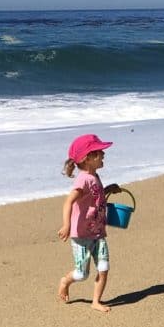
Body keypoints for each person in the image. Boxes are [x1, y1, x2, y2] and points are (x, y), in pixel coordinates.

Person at [57, 133, 121, 313]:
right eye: (99, 152)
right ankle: (65, 281)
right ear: (88, 159)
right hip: (82, 235)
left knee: (104, 267)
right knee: (81, 274)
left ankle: (95, 301)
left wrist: (108, 189)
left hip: (98, 232)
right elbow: (69, 201)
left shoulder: (95, 176)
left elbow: (95, 197)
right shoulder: (82, 180)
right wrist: (66, 225)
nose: (103, 155)